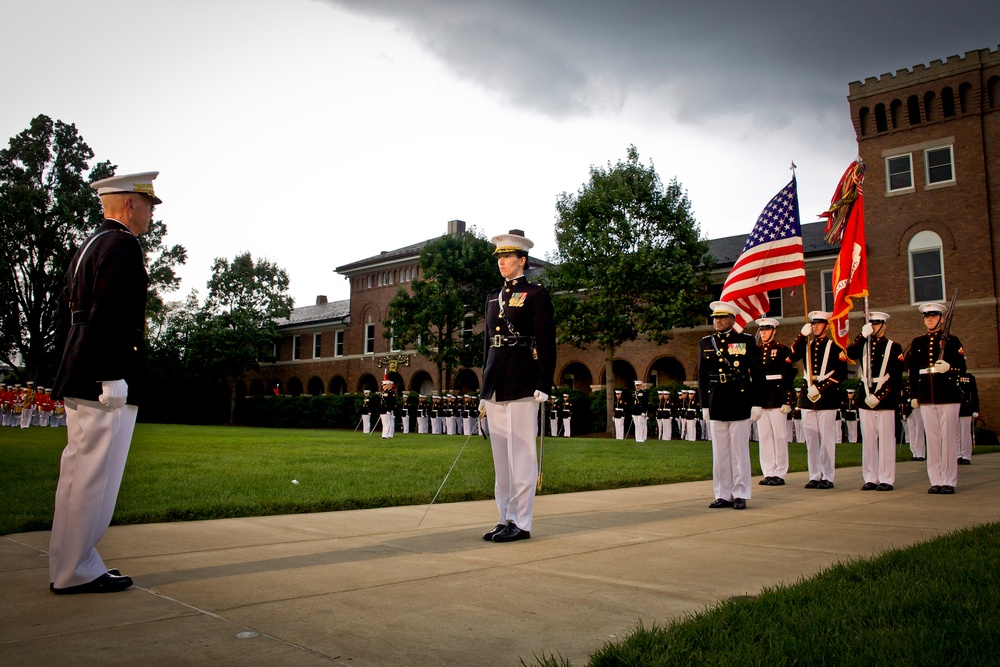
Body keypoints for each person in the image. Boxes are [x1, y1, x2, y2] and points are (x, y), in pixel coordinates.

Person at [49, 171, 160, 595]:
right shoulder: (122, 245)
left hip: (79, 371)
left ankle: (67, 561)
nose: (151, 213)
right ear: (130, 204)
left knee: (76, 473)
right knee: (96, 478)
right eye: (148, 205)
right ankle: (79, 568)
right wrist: (112, 374)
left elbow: (68, 318)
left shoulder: (88, 245)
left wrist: (70, 367)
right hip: (104, 377)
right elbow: (112, 313)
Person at [479, 230, 556, 543]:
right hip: (496, 383)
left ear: (522, 260)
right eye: (499, 256)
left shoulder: (536, 294)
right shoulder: (492, 298)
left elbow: (547, 341)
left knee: (521, 455)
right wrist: (484, 392)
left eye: (507, 256)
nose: (502, 262)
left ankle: (521, 522)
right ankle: (504, 517)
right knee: (501, 457)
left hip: (524, 382)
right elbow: (488, 347)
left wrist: (544, 381)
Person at [698, 301, 764, 510]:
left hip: (739, 399)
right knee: (720, 452)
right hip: (716, 399)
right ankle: (722, 493)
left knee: (739, 451)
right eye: (715, 318)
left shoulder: (744, 340)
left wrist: (756, 402)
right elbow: (701, 377)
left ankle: (740, 492)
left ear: (733, 319)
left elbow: (758, 373)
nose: (717, 321)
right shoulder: (706, 342)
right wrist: (704, 405)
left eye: (722, 317)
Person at [908, 302, 966, 494]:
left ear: (941, 319)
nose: (929, 319)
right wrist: (914, 395)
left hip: (947, 394)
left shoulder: (953, 341)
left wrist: (949, 368)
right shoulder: (917, 342)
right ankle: (936, 479)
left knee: (947, 438)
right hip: (926, 394)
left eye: (933, 316)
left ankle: (949, 480)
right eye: (926, 316)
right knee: (932, 439)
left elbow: (962, 368)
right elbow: (913, 372)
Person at [845, 311, 904, 491]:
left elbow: (896, 377)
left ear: (884, 325)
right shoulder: (864, 344)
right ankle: (870, 476)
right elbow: (850, 353)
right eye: (871, 323)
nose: (874, 327)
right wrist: (862, 335)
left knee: (886, 439)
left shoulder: (894, 347)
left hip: (884, 398)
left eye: (877, 324)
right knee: (869, 440)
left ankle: (886, 478)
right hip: (865, 395)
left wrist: (879, 396)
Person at [788, 311, 847, 489]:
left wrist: (820, 387)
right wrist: (801, 335)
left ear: (827, 326)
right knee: (811, 439)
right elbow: (791, 356)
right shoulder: (807, 344)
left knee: (827, 438)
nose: (815, 326)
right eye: (813, 324)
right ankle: (814, 475)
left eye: (819, 323)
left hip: (827, 396)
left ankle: (827, 476)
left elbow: (841, 373)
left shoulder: (835, 347)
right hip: (808, 397)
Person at [753, 318, 795, 487]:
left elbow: (787, 375)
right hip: (762, 398)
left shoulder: (782, 349)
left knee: (779, 436)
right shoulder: (756, 351)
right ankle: (768, 471)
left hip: (777, 397)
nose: (763, 332)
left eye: (767, 329)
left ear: (774, 331)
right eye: (761, 329)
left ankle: (780, 472)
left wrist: (787, 399)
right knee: (764, 437)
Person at [957, 372, 979, 465]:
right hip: (954, 408)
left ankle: (966, 456)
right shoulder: (950, 376)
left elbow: (974, 393)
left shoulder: (969, 377)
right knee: (955, 434)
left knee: (965, 433)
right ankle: (957, 455)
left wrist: (975, 409)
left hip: (966, 408)